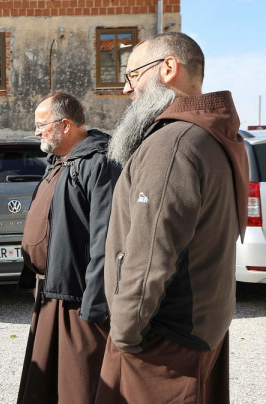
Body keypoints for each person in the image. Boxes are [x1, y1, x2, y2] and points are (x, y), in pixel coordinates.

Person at [97, 32, 249, 404]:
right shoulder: (207, 136)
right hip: (191, 331)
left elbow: (150, 254)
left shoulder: (175, 143)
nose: (126, 88)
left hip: (163, 342)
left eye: (133, 75)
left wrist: (125, 333)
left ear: (168, 69)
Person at [16, 92, 121, 404]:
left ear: (65, 124)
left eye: (42, 125)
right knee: (49, 384)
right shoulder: (59, 162)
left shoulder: (99, 163)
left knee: (80, 385)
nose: (36, 132)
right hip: (50, 293)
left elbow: (106, 236)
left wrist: (95, 304)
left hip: (78, 299)